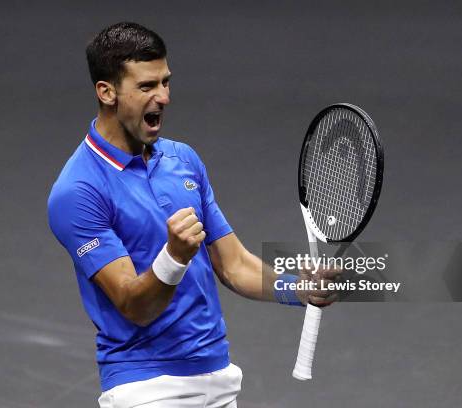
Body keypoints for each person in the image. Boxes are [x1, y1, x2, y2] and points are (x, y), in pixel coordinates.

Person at [47, 22, 339, 408]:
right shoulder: (78, 191)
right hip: (146, 388)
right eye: (147, 86)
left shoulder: (183, 160)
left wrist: (294, 288)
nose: (164, 97)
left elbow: (233, 264)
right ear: (107, 92)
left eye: (165, 82)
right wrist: (174, 257)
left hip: (217, 379)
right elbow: (135, 307)